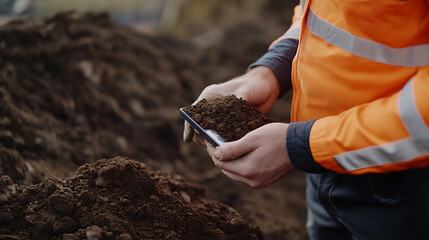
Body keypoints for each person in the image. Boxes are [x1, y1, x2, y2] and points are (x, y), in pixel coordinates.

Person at [183, 0, 429, 239]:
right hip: (323, 162)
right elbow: (329, 15)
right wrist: (273, 68)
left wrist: (304, 145)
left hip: (406, 187)